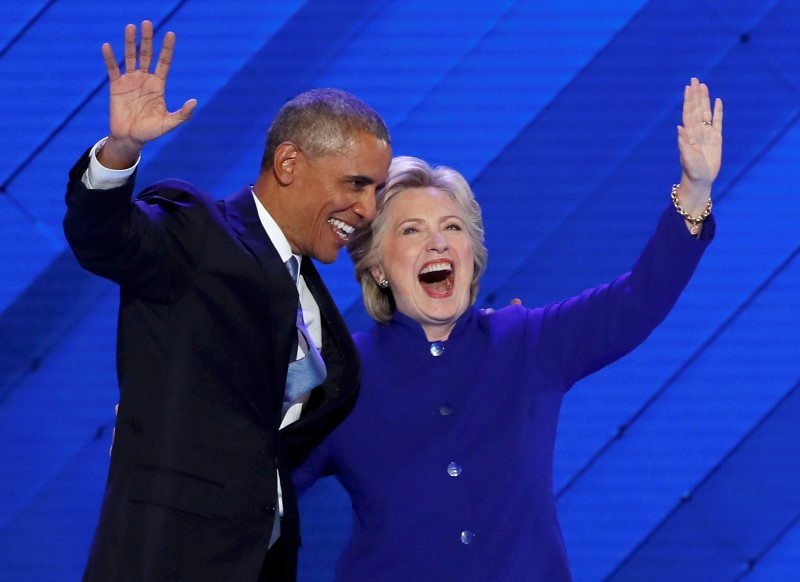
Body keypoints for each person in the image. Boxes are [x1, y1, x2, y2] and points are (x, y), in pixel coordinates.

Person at [293, 78, 722, 580]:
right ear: (378, 267)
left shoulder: (526, 344)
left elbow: (637, 300)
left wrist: (694, 190)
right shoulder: (341, 377)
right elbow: (256, 491)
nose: (438, 243)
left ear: (472, 260)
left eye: (452, 228)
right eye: (412, 230)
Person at [63, 21, 391, 581]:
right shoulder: (198, 232)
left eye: (377, 191)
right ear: (289, 164)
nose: (368, 207)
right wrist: (120, 151)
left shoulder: (311, 299)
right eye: (357, 184)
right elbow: (104, 238)